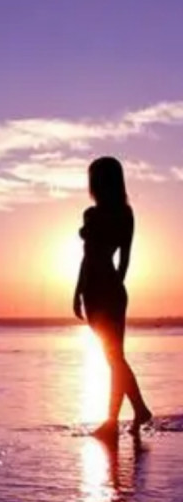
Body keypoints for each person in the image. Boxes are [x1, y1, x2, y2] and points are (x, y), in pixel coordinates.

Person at [73, 156, 153, 442]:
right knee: (113, 357)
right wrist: (78, 292)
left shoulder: (113, 214)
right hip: (98, 291)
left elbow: (119, 258)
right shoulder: (102, 214)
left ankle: (123, 416)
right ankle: (131, 413)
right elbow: (95, 259)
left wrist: (109, 289)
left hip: (105, 291)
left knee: (114, 357)